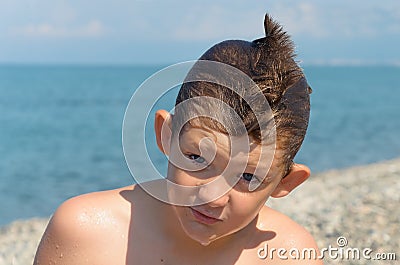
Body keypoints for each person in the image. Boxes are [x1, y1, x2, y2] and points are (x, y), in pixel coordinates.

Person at [34, 14, 322, 264]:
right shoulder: (85, 232)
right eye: (197, 158)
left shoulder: (290, 254)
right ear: (166, 135)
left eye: (248, 176)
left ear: (286, 182)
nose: (214, 196)